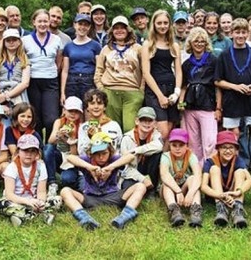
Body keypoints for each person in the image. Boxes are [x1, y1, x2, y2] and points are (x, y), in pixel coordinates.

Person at [214, 19, 251, 177]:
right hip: (232, 101)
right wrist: (235, 86)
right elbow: (218, 81)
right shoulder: (224, 55)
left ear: (248, 33)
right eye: (237, 32)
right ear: (231, 33)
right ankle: (234, 169)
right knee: (233, 136)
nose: (240, 35)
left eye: (243, 32)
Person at [60, 132, 146, 230]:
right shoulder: (87, 160)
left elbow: (130, 157)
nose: (101, 157)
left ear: (110, 151)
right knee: (65, 191)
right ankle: (84, 218)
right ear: (91, 154)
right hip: (90, 197)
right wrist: (89, 167)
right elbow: (70, 158)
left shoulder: (114, 159)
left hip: (113, 196)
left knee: (140, 186)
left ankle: (125, 216)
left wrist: (111, 167)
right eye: (97, 154)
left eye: (104, 153)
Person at [0, 134, 62, 226]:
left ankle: (22, 216)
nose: (29, 154)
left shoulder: (41, 166)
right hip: (16, 200)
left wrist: (40, 202)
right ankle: (39, 216)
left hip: (34, 200)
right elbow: (9, 194)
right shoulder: (11, 167)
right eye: (25, 150)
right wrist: (27, 202)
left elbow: (41, 191)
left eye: (33, 151)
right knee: (1, 204)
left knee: (56, 200)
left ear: (37, 154)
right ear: (18, 151)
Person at [94, 16, 143, 132]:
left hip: (132, 93)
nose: (119, 30)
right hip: (110, 92)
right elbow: (98, 71)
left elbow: (145, 71)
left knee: (129, 128)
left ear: (128, 30)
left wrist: (141, 90)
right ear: (112, 31)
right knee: (111, 129)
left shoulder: (138, 48)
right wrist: (102, 89)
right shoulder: (106, 49)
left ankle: (129, 150)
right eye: (116, 28)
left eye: (123, 28)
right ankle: (112, 150)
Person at [180, 27, 219, 168]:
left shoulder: (213, 61)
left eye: (202, 41)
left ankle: (210, 169)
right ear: (190, 43)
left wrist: (219, 108)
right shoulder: (186, 64)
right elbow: (183, 85)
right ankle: (197, 170)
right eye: (196, 41)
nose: (199, 44)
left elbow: (218, 85)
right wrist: (181, 104)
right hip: (190, 106)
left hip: (208, 105)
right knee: (193, 142)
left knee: (210, 141)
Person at [23, 9, 63, 144]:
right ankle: (37, 149)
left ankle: (50, 148)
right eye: (39, 21)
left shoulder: (56, 39)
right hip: (32, 81)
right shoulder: (25, 40)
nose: (42, 24)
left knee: (51, 118)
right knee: (36, 119)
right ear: (34, 22)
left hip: (50, 82)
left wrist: (51, 73)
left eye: (45, 21)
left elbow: (58, 61)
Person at [141, 10, 182, 142]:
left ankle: (163, 160)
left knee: (170, 129)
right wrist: (159, 96)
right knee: (162, 131)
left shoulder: (174, 45)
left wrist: (176, 93)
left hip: (171, 89)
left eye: (165, 23)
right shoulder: (148, 45)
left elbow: (179, 71)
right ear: (154, 24)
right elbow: (146, 73)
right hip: (155, 90)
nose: (162, 26)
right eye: (159, 23)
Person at [200, 131, 251, 228]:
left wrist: (238, 192)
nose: (228, 151)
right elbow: (203, 186)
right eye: (224, 147)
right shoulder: (210, 161)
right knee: (214, 169)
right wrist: (220, 196)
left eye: (231, 148)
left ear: (235, 149)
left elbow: (250, 180)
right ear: (218, 149)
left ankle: (237, 209)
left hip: (233, 195)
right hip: (215, 195)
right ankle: (221, 209)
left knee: (240, 171)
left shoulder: (237, 160)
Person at [159, 128, 202, 228]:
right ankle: (174, 211)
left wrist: (190, 193)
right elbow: (164, 174)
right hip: (171, 191)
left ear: (187, 146)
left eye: (181, 145)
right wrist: (178, 191)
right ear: (169, 145)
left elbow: (198, 175)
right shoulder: (166, 156)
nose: (177, 148)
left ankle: (195, 211)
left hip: (185, 189)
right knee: (166, 184)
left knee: (192, 178)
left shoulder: (191, 156)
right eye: (174, 145)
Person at [119, 107, 163, 193]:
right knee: (127, 188)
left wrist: (137, 150)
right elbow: (125, 168)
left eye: (150, 120)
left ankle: (152, 190)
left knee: (158, 155)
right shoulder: (127, 138)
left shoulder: (156, 135)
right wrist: (142, 179)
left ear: (155, 123)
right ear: (137, 121)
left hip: (149, 169)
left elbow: (159, 146)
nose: (147, 123)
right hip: (132, 172)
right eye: (143, 120)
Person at [45, 96, 83, 193]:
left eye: (76, 111)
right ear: (64, 111)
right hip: (58, 155)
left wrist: (72, 140)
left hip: (71, 160)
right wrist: (59, 134)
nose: (73, 114)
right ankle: (52, 181)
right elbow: (50, 141)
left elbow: (75, 156)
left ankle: (71, 179)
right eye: (70, 111)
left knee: (67, 179)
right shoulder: (59, 122)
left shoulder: (82, 126)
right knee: (48, 148)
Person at [61, 14, 101, 103]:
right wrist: (62, 92)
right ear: (75, 25)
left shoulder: (96, 46)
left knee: (88, 110)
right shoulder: (68, 46)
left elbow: (99, 69)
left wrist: (99, 88)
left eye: (86, 25)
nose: (83, 27)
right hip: (72, 81)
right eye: (80, 24)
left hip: (89, 81)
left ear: (90, 27)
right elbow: (65, 70)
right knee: (72, 111)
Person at [0, 28, 30, 114]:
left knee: (19, 119)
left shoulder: (24, 59)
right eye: (8, 40)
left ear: (19, 41)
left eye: (14, 40)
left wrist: (7, 96)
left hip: (18, 94)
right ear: (4, 43)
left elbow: (25, 83)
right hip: (0, 94)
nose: (11, 42)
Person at [77, 89, 123, 156]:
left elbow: (120, 150)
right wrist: (91, 139)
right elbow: (81, 153)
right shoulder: (84, 127)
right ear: (87, 107)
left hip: (112, 163)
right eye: (92, 103)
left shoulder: (114, 125)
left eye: (99, 103)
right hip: (90, 163)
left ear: (105, 107)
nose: (96, 107)